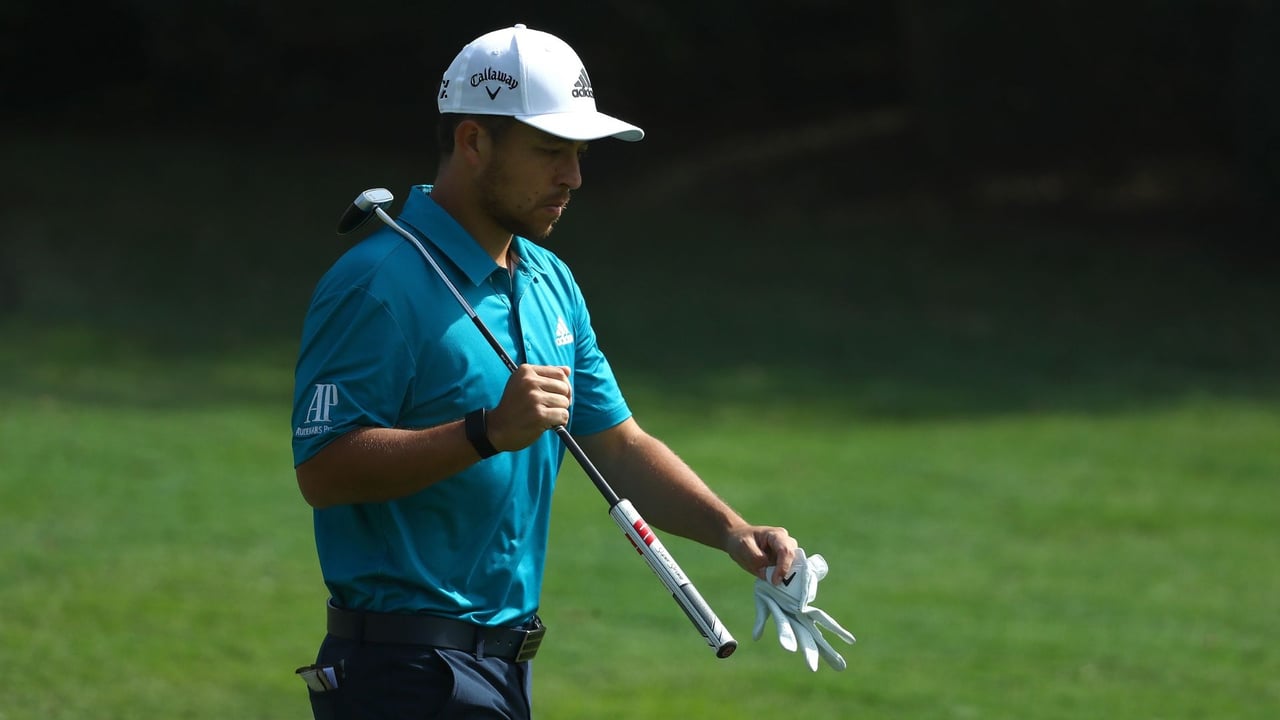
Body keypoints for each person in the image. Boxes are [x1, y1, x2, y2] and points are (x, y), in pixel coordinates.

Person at [290, 24, 847, 720]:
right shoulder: (376, 283)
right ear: (472, 142)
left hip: (501, 670)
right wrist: (486, 432)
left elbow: (617, 444)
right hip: (400, 673)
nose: (574, 177)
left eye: (579, 155)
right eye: (551, 151)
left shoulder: (548, 278)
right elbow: (324, 468)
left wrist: (732, 532)